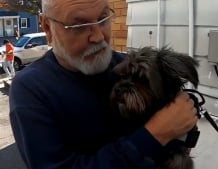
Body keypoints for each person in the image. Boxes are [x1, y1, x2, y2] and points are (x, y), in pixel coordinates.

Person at [9, 0, 198, 169]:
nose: (98, 37)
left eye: (103, 18)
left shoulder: (130, 67)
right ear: (47, 27)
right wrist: (156, 135)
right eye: (79, 25)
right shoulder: (31, 89)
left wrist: (183, 116)